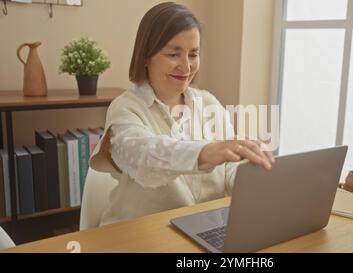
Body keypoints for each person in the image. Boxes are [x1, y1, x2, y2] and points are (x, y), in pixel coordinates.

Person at [90, 2, 274, 226]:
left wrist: (255, 181)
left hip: (203, 228)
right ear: (146, 56)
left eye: (193, 54)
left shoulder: (209, 103)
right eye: (173, 54)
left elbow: (228, 170)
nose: (186, 67)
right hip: (141, 234)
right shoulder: (125, 108)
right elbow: (144, 157)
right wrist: (206, 152)